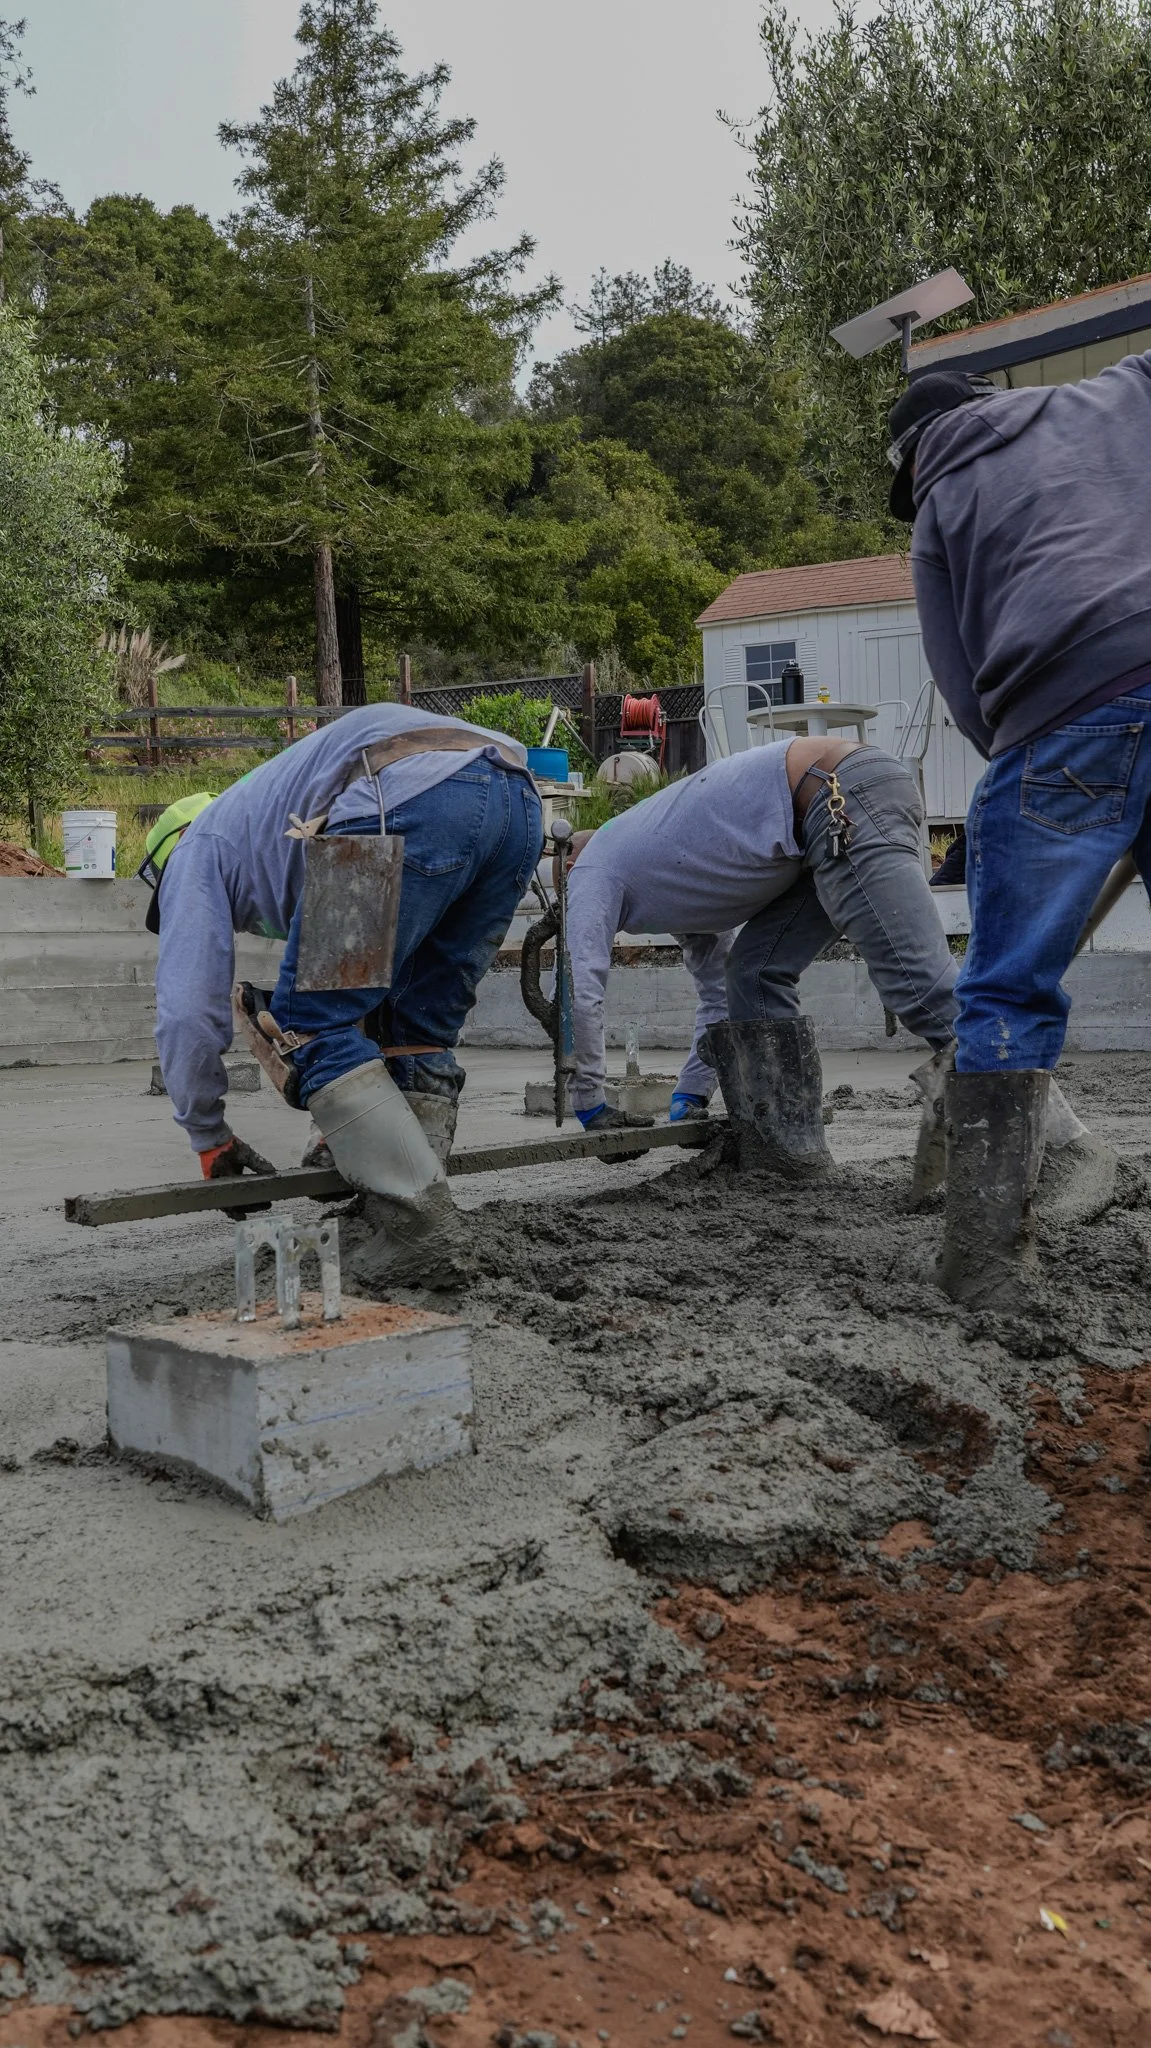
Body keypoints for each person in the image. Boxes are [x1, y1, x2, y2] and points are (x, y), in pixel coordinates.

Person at [890, 361, 1144, 1300]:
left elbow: (961, 686)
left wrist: (1051, 768)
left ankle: (986, 1267)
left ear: (910, 456)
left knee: (1002, 989)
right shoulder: (1124, 389)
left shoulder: (935, 508)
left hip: (1056, 709)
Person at [146, 703, 542, 1280]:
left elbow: (187, 1010)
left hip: (405, 793)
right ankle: (398, 1217)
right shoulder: (271, 821)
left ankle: (418, 1233)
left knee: (307, 1025)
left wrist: (209, 1138)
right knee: (417, 1029)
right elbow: (369, 992)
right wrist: (338, 1134)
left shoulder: (194, 851)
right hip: (517, 800)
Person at [564, 735, 959, 1175]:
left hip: (841, 797)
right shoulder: (660, 860)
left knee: (918, 986)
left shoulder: (592, 866)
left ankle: (1031, 1135)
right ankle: (787, 1157)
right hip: (818, 821)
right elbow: (718, 995)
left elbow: (582, 987)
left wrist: (589, 1105)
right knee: (753, 974)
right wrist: (691, 1092)